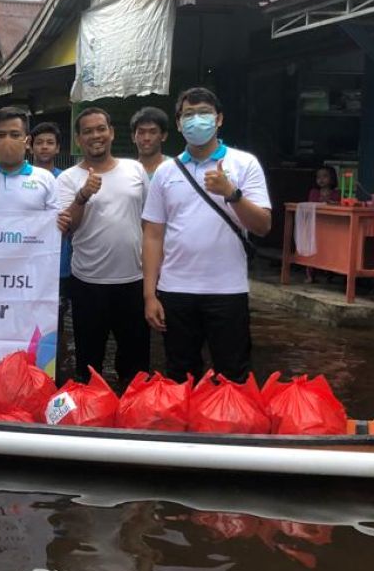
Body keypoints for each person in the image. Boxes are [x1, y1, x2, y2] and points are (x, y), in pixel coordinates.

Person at [142, 87, 271, 383]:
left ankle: (227, 428)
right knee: (180, 375)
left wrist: (231, 193)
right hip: (176, 290)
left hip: (227, 290)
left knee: (233, 374)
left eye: (204, 113)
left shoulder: (244, 164)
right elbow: (153, 235)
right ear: (178, 123)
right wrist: (150, 294)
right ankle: (184, 428)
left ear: (219, 119)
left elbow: (263, 225)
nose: (196, 120)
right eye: (188, 114)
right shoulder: (166, 172)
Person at [55, 107, 150, 387]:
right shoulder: (68, 179)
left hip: (133, 280)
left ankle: (132, 419)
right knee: (89, 364)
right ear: (78, 139)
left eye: (100, 129)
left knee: (136, 366)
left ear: (111, 133)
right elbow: (66, 228)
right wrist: (83, 195)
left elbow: (150, 224)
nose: (95, 135)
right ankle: (91, 417)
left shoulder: (135, 169)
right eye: (88, 131)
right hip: (87, 283)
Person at [31, 121, 74, 378]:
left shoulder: (65, 180)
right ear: (31, 146)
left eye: (49, 142)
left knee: (55, 321)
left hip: (59, 265)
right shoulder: (23, 178)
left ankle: (54, 372)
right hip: (24, 265)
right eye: (39, 142)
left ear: (58, 147)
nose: (44, 147)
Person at [130, 106, 170, 178]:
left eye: (153, 132)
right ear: (133, 137)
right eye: (141, 132)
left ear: (164, 136)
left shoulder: (175, 168)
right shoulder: (128, 172)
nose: (146, 138)